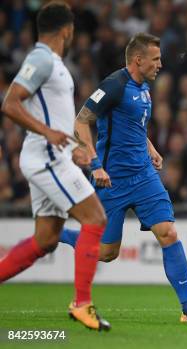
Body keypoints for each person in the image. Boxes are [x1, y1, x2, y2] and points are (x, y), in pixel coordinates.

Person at [58, 33, 187, 323]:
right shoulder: (114, 85)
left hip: (143, 176)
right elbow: (81, 121)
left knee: (168, 232)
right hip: (112, 180)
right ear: (138, 60)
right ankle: (57, 234)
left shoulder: (144, 89)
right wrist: (94, 164)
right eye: (155, 59)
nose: (160, 64)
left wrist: (151, 148)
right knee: (106, 252)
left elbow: (135, 127)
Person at [0, 2, 110, 331]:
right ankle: (82, 304)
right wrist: (48, 134)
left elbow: (55, 117)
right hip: (47, 158)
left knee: (46, 239)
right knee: (95, 218)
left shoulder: (55, 63)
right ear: (66, 30)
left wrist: (74, 149)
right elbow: (10, 102)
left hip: (53, 156)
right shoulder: (41, 58)